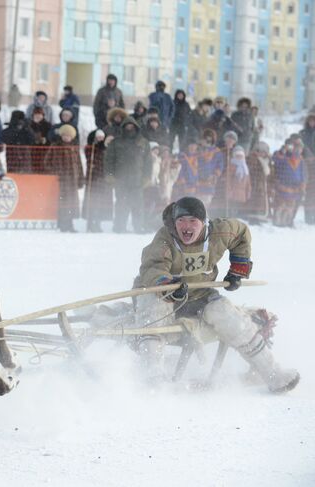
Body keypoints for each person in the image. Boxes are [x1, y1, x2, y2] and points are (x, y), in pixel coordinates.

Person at [132, 196, 300, 393]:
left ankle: (273, 373)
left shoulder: (219, 231)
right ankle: (153, 378)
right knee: (154, 312)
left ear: (203, 222)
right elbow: (153, 267)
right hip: (159, 293)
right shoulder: (165, 239)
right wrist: (168, 286)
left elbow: (241, 234)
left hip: (199, 294)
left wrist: (237, 269)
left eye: (192, 221)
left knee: (230, 316)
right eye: (181, 221)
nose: (186, 227)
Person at [104, 117, 152, 233]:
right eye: (127, 126)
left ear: (136, 127)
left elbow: (148, 162)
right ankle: (119, 227)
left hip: (137, 180)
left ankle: (138, 227)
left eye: (131, 126)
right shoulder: (116, 142)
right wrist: (110, 175)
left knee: (138, 206)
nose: (129, 128)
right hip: (120, 180)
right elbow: (108, 160)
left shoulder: (143, 142)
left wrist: (147, 177)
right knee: (121, 204)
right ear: (123, 128)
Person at [47, 124, 83, 232]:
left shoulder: (74, 148)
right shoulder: (55, 146)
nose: (66, 137)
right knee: (62, 202)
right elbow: (47, 162)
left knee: (71, 203)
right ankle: (62, 223)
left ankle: (70, 224)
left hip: (73, 180)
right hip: (61, 181)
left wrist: (80, 178)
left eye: (68, 135)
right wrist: (55, 172)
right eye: (64, 135)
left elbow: (79, 164)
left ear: (72, 137)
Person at [271, 139, 307, 227]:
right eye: (296, 148)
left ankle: (288, 221)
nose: (298, 150)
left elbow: (303, 173)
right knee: (280, 205)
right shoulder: (284, 157)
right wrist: (282, 151)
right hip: (283, 185)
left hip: (295, 187)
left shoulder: (301, 160)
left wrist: (303, 184)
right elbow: (275, 160)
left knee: (290, 206)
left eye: (300, 149)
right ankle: (277, 222)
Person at [83, 129, 113, 232]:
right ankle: (90, 223)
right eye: (98, 137)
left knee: (99, 202)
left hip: (102, 179)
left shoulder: (105, 149)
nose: (100, 139)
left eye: (101, 137)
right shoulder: (91, 148)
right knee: (92, 201)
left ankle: (97, 223)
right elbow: (88, 155)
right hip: (93, 179)